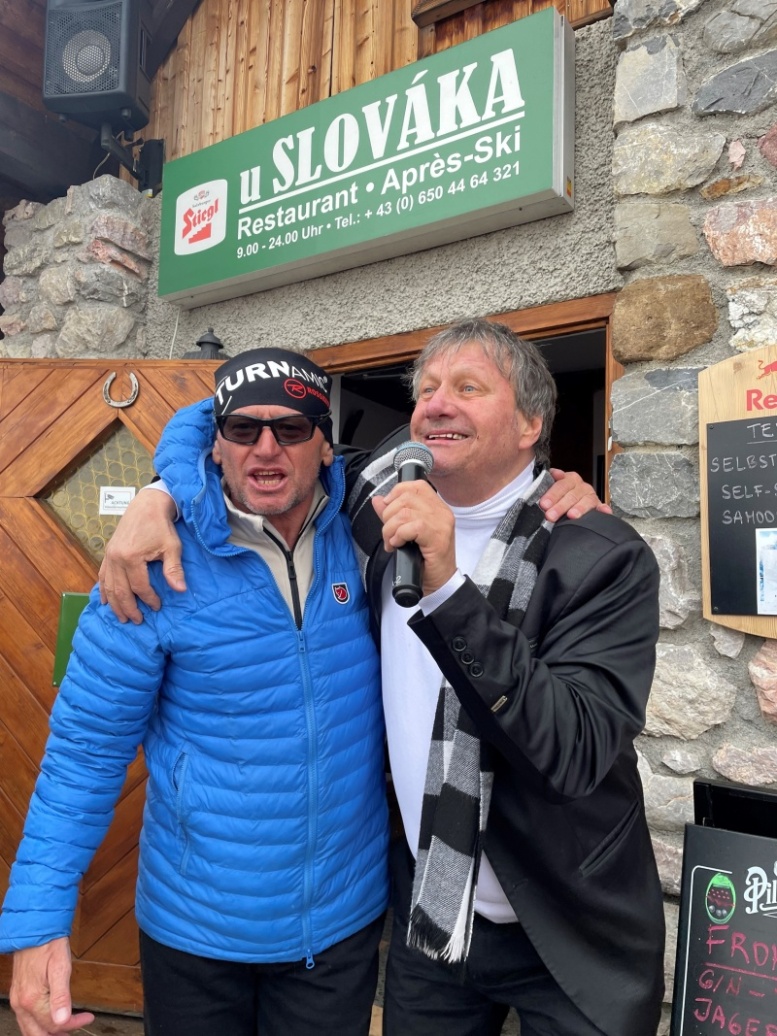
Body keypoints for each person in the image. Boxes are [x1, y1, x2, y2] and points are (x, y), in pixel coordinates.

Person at [98, 321, 665, 1036]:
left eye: (468, 387)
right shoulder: (375, 499)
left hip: (568, 921)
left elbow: (574, 750)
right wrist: (157, 492)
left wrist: (448, 586)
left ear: (531, 424)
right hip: (431, 915)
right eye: (426, 390)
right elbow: (255, 426)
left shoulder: (602, 555)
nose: (437, 404)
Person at [0, 348, 391, 1036]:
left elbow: (462, 465)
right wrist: (38, 922)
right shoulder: (150, 563)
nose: (265, 448)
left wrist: (561, 496)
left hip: (337, 924)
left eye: (291, 429)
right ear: (215, 443)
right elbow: (85, 752)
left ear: (325, 445)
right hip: (195, 932)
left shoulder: (367, 535)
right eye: (242, 429)